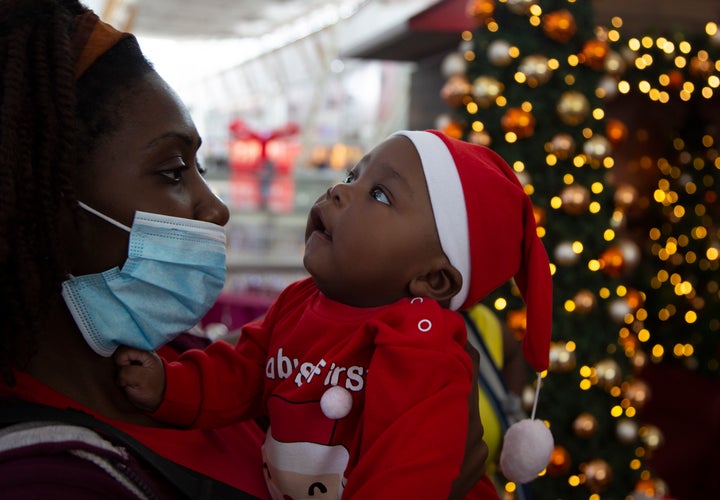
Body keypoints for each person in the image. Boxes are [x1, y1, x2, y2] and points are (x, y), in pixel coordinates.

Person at [0, 1, 502, 498]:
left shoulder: (171, 352)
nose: (217, 209)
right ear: (40, 198)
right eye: (173, 172)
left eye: (380, 194)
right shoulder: (47, 476)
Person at [116, 130, 554, 498]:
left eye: (380, 195)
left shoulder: (423, 352)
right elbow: (241, 373)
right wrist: (170, 386)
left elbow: (405, 477)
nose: (340, 191)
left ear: (434, 281)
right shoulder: (300, 302)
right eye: (352, 176)